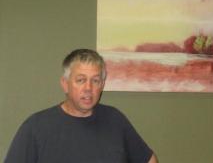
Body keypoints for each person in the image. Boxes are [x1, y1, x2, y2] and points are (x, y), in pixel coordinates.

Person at [5, 48, 158, 163]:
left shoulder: (115, 120)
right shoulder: (36, 127)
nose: (88, 88)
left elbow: (150, 160)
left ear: (102, 85)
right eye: (80, 80)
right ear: (65, 84)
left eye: (95, 81)